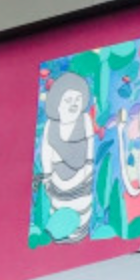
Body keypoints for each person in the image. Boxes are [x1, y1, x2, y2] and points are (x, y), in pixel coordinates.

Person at [40, 72, 97, 241]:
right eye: (68, 100)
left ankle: (77, 233)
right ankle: (62, 235)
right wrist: (47, 177)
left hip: (81, 179)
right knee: (59, 208)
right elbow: (45, 151)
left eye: (77, 99)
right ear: (57, 103)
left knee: (81, 210)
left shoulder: (85, 120)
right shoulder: (51, 126)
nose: (74, 104)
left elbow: (90, 145)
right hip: (58, 181)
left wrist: (88, 169)